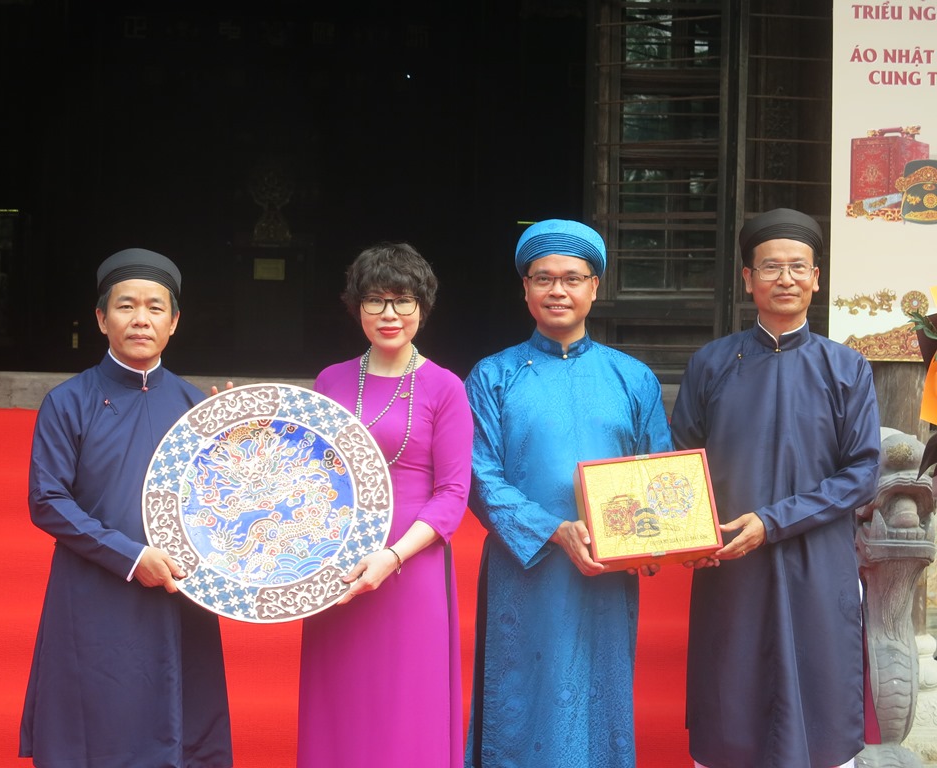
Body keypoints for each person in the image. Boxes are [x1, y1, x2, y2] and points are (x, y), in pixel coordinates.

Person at [670, 208, 881, 768]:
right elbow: (680, 464)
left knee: (821, 699)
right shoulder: (710, 364)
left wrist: (773, 521)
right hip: (731, 562)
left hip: (818, 559)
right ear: (748, 278)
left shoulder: (847, 368)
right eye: (770, 267)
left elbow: (862, 471)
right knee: (731, 698)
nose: (785, 279)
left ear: (816, 278)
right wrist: (687, 534)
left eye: (797, 267)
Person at [464, 219, 673, 768]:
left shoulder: (633, 377)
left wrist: (656, 540)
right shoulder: (492, 376)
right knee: (521, 696)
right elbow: (479, 475)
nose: (558, 290)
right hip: (525, 567)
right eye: (544, 278)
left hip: (607, 568)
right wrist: (553, 529)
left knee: (601, 694)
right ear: (525, 288)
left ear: (594, 287)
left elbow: (657, 472)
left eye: (572, 279)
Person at [19, 248, 233, 768]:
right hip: (94, 588)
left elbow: (227, 505)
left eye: (155, 308)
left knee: (183, 721)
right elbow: (47, 500)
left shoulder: (195, 406)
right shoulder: (69, 401)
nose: (141, 319)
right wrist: (132, 557)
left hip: (179, 593)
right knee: (96, 724)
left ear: (174, 322)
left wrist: (238, 440)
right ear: (101, 318)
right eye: (126, 305)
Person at [297, 242, 473, 767]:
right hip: (337, 562)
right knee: (342, 700)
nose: (389, 314)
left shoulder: (445, 387)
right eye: (375, 300)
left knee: (406, 703)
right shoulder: (330, 380)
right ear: (357, 307)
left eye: (403, 300)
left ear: (422, 306)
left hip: (410, 566)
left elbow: (453, 494)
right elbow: (304, 473)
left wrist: (393, 556)